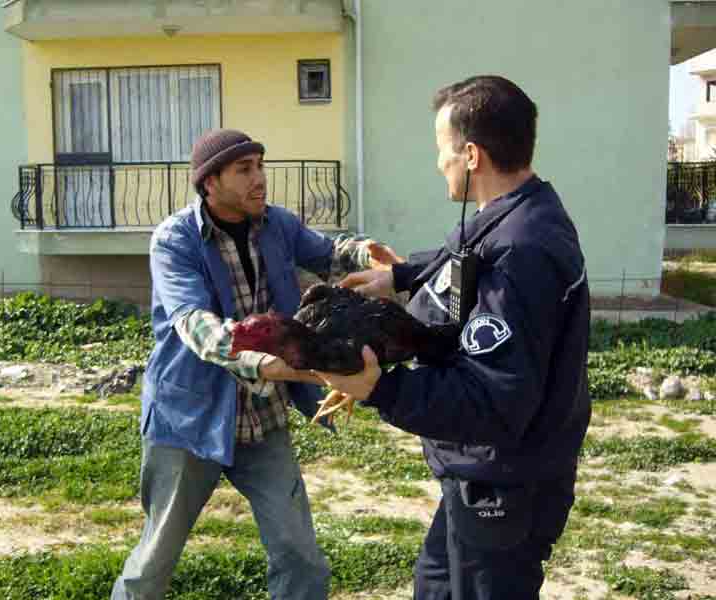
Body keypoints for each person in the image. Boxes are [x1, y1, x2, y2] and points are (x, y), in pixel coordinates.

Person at [314, 76, 591, 600]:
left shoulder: (524, 251)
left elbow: (494, 401)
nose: (437, 162)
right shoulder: (510, 216)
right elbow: (462, 258)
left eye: (441, 150)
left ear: (470, 154)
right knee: (434, 586)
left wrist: (379, 390)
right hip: (481, 476)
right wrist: (398, 276)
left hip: (506, 481)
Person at [111, 128, 395, 600]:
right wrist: (265, 363)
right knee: (153, 563)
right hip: (189, 421)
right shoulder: (174, 241)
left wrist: (368, 253)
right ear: (209, 183)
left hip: (263, 420)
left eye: (261, 166)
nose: (260, 179)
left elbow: (329, 252)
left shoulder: (277, 226)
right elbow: (195, 326)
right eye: (245, 170)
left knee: (300, 556)